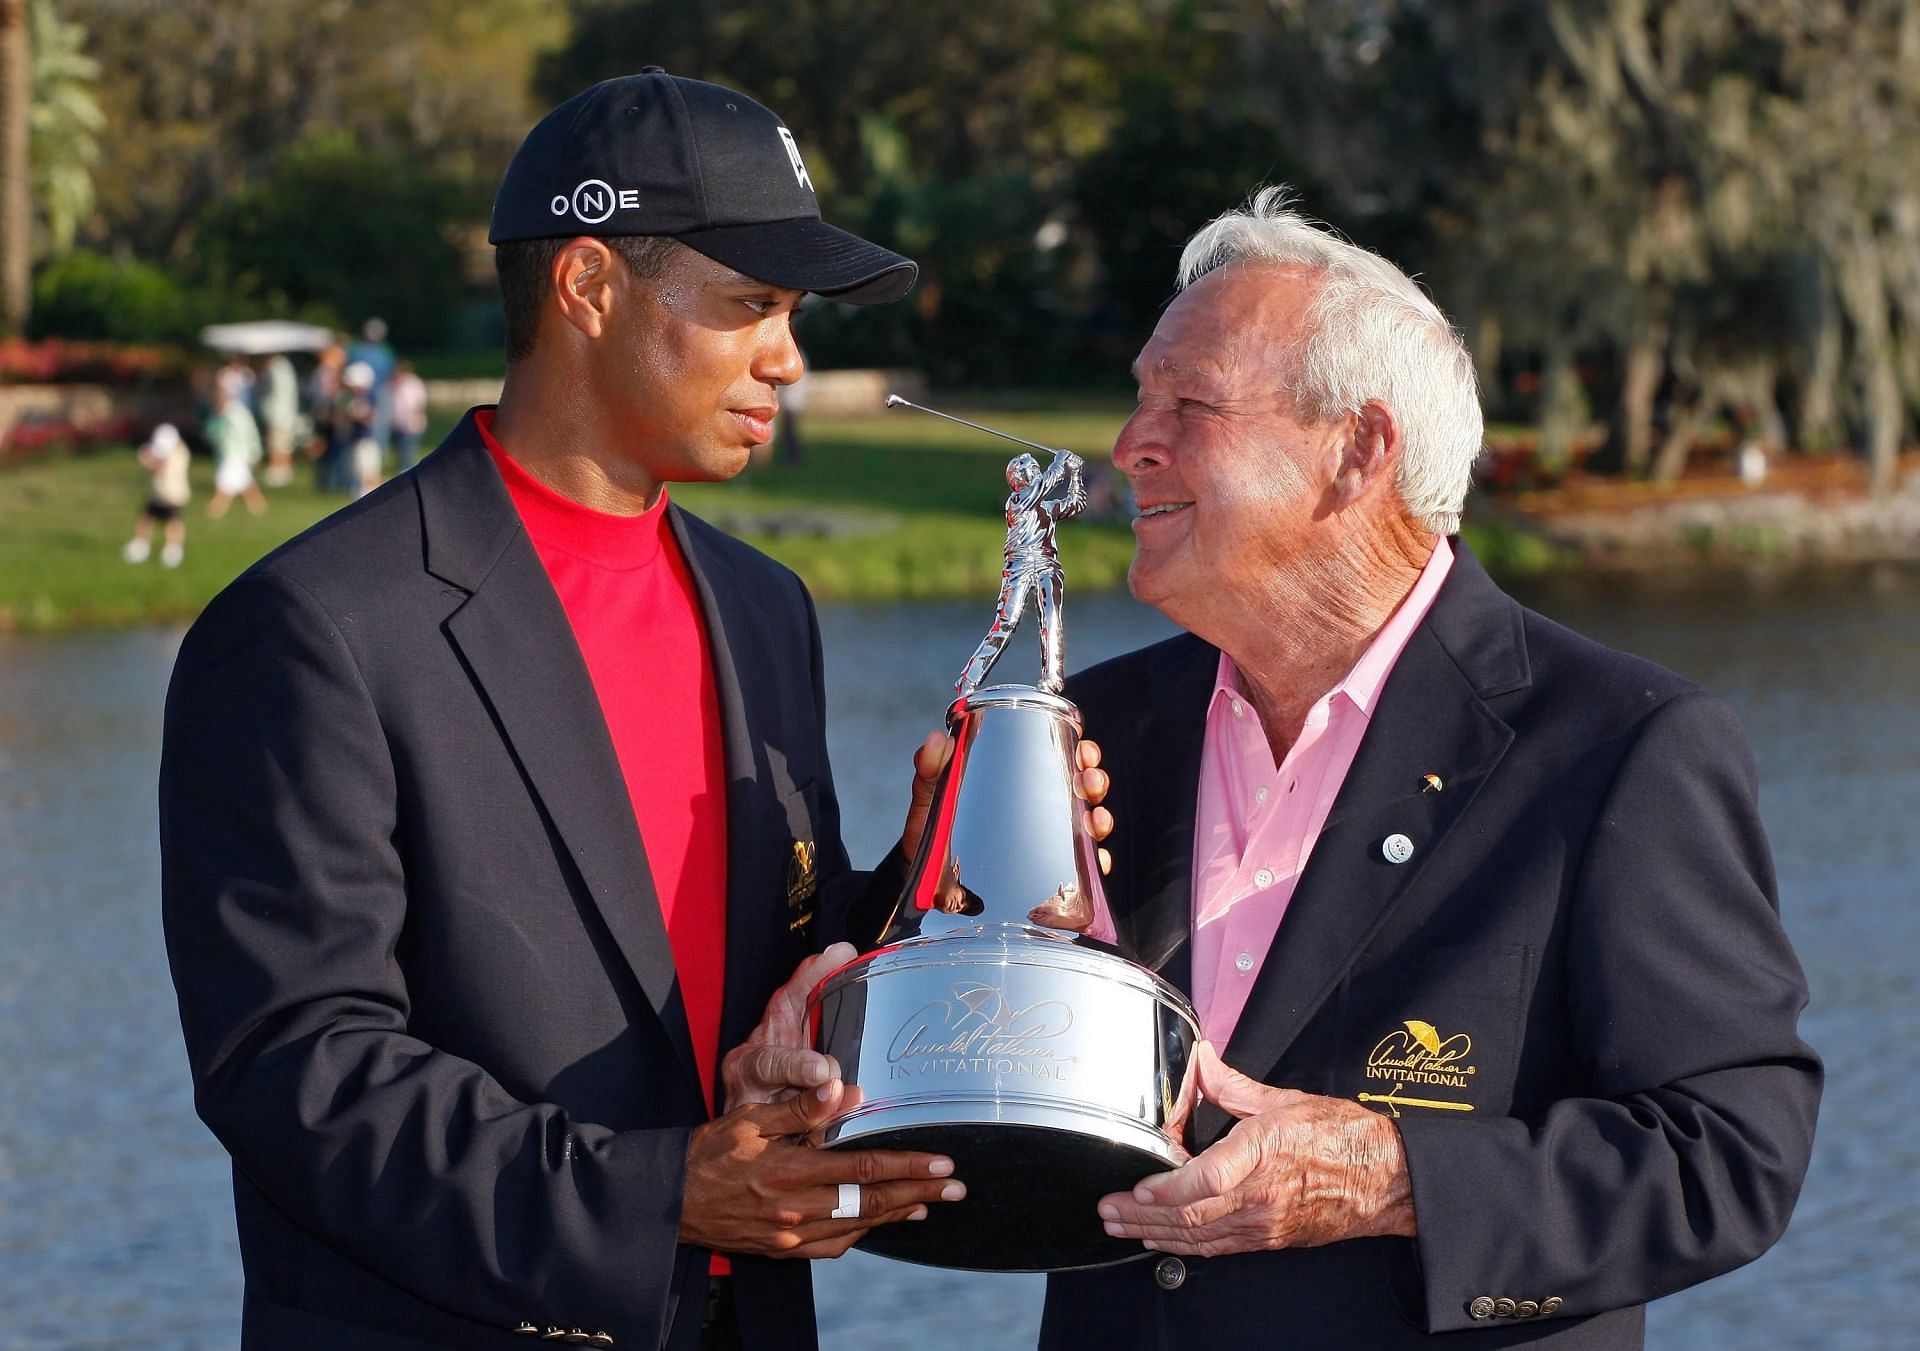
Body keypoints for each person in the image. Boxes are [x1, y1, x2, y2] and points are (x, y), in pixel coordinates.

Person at [162, 71, 1091, 1350]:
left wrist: (930, 869)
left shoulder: (765, 609)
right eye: (751, 306)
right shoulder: (314, 628)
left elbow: (765, 985)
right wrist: (665, 1199)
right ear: (588, 288)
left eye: (793, 314)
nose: (788, 357)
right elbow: (297, 1067)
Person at [1041, 189, 1820, 1348]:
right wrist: (935, 867)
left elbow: (1732, 1152)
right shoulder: (1087, 729)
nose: (1128, 443)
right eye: (1141, 395)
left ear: (1357, 452)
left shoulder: (1620, 745)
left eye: (1190, 402)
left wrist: (1394, 1175)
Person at [956, 447, 1086, 696]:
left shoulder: (1045, 507)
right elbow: (1044, 485)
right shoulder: (1018, 501)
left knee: (1051, 620)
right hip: (1020, 565)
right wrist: (1060, 463)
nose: (1037, 472)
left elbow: (1076, 504)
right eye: (1032, 469)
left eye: (1038, 468)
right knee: (1007, 622)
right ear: (1019, 479)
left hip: (1047, 563)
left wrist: (1076, 475)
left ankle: (1052, 680)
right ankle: (967, 681)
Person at [123, 421, 190, 567]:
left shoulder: (179, 454)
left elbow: (161, 468)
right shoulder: (172, 451)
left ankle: (173, 549)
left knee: (172, 522)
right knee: (147, 519)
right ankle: (141, 545)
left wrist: (146, 460)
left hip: (171, 495)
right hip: (158, 494)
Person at [203, 383, 267, 518]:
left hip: (236, 456)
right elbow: (211, 433)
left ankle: (214, 511)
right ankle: (258, 508)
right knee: (245, 484)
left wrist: (254, 454)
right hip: (226, 456)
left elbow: (250, 434)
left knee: (224, 485)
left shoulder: (238, 415)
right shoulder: (218, 415)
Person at [257, 351, 301, 487]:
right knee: (281, 442)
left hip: (278, 411)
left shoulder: (276, 367)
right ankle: (282, 470)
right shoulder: (284, 367)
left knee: (278, 443)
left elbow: (268, 388)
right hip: (283, 411)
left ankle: (279, 471)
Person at [391, 359, 429, 471]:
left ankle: (407, 471)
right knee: (401, 450)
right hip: (399, 423)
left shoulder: (414, 384)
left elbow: (419, 404)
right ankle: (402, 469)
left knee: (408, 450)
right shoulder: (397, 384)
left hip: (411, 424)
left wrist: (413, 419)